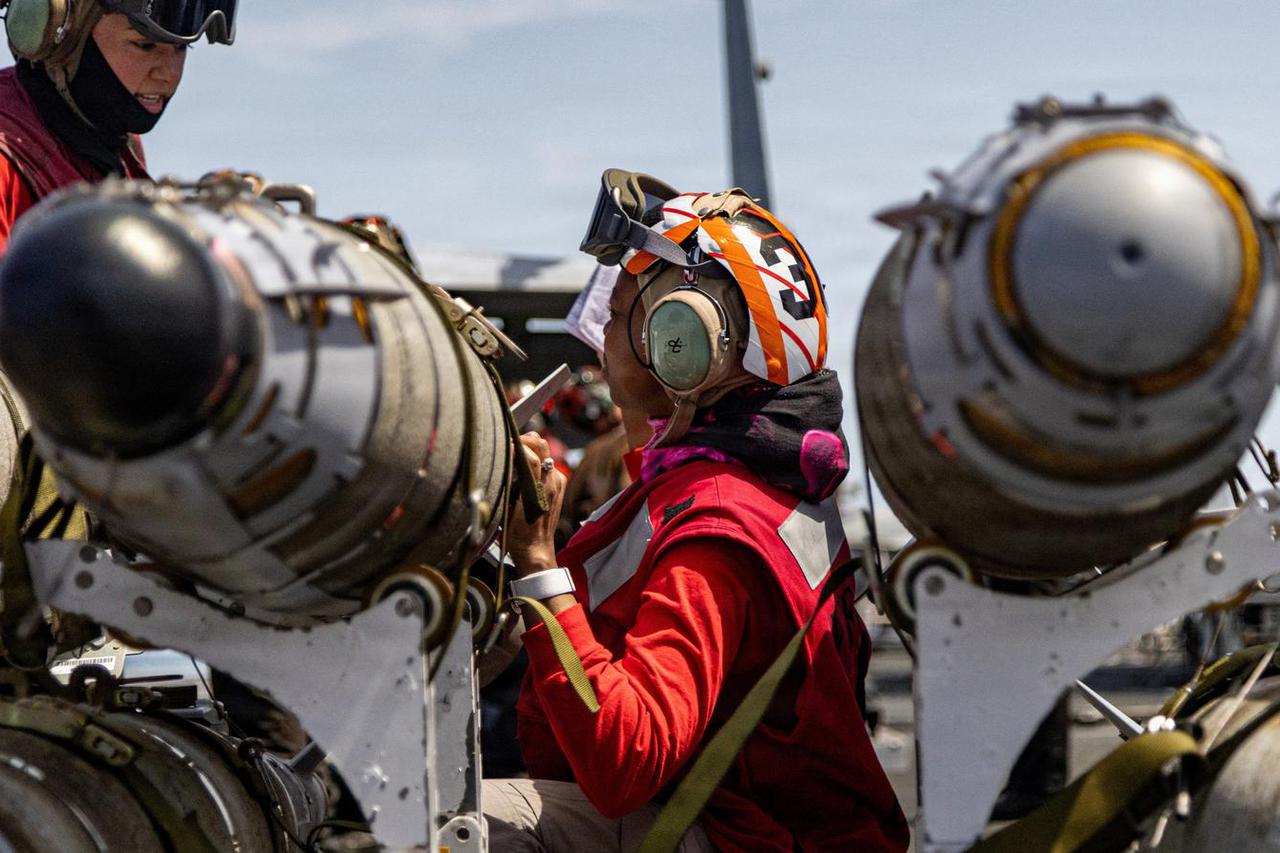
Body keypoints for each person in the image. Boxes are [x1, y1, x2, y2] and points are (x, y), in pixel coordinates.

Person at [485, 171, 909, 851]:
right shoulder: (748, 480)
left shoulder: (714, 528)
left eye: (623, 305)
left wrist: (538, 567)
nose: (601, 332)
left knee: (456, 826)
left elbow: (628, 758)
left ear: (684, 343)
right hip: (749, 824)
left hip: (736, 835)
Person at [0, 0, 235, 251]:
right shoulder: (7, 162)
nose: (169, 74)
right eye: (144, 45)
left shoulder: (117, 144)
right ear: (58, 29)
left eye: (181, 47)